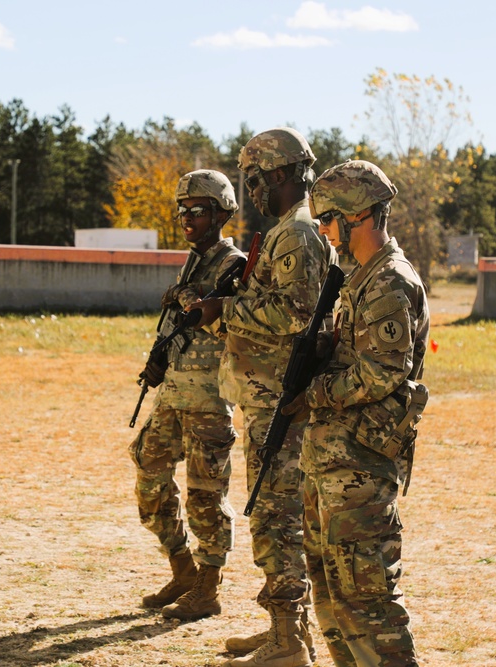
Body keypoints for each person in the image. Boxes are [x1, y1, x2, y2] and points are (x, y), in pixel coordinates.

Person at [189, 128, 334, 667]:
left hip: (278, 401)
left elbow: (293, 313)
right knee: (274, 515)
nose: (250, 192)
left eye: (253, 180)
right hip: (265, 394)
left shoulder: (297, 234)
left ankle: (289, 641)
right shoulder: (286, 231)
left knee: (277, 518)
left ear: (277, 175)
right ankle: (285, 628)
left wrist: (222, 311)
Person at [283, 160, 429, 666]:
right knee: (333, 603)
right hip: (331, 462)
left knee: (369, 606)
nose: (322, 230)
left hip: (361, 467)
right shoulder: (357, 280)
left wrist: (314, 393)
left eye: (327, 219)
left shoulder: (389, 282)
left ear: (359, 215)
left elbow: (381, 374)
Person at [130, 170, 246, 621]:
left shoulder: (233, 265)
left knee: (205, 496)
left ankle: (208, 588)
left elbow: (228, 319)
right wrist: (159, 360)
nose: (187, 218)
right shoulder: (193, 262)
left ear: (221, 213)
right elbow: (180, 323)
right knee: (148, 468)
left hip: (209, 402)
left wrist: (187, 297)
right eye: (183, 210)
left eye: (198, 210)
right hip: (174, 395)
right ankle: (182, 568)